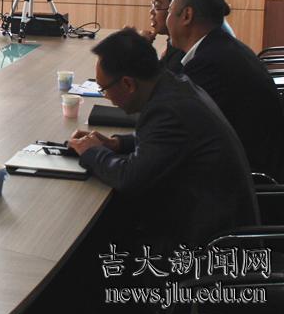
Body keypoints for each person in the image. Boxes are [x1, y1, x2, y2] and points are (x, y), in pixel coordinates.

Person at [68, 28, 258, 252]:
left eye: (104, 89)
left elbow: (130, 178)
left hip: (208, 246)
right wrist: (117, 144)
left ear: (128, 84)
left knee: (95, 243)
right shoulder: (173, 85)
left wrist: (92, 152)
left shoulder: (166, 111)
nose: (106, 96)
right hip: (211, 220)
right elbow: (165, 141)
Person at [166, 0, 284, 179]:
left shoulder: (209, 63)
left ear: (187, 15)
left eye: (170, 11)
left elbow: (178, 130)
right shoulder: (222, 47)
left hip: (249, 177)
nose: (167, 19)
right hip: (253, 162)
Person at [141, 0, 208, 71]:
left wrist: (141, 50)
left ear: (186, 14)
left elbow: (159, 79)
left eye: (157, 5)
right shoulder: (176, 42)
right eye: (153, 4)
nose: (152, 11)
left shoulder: (191, 53)